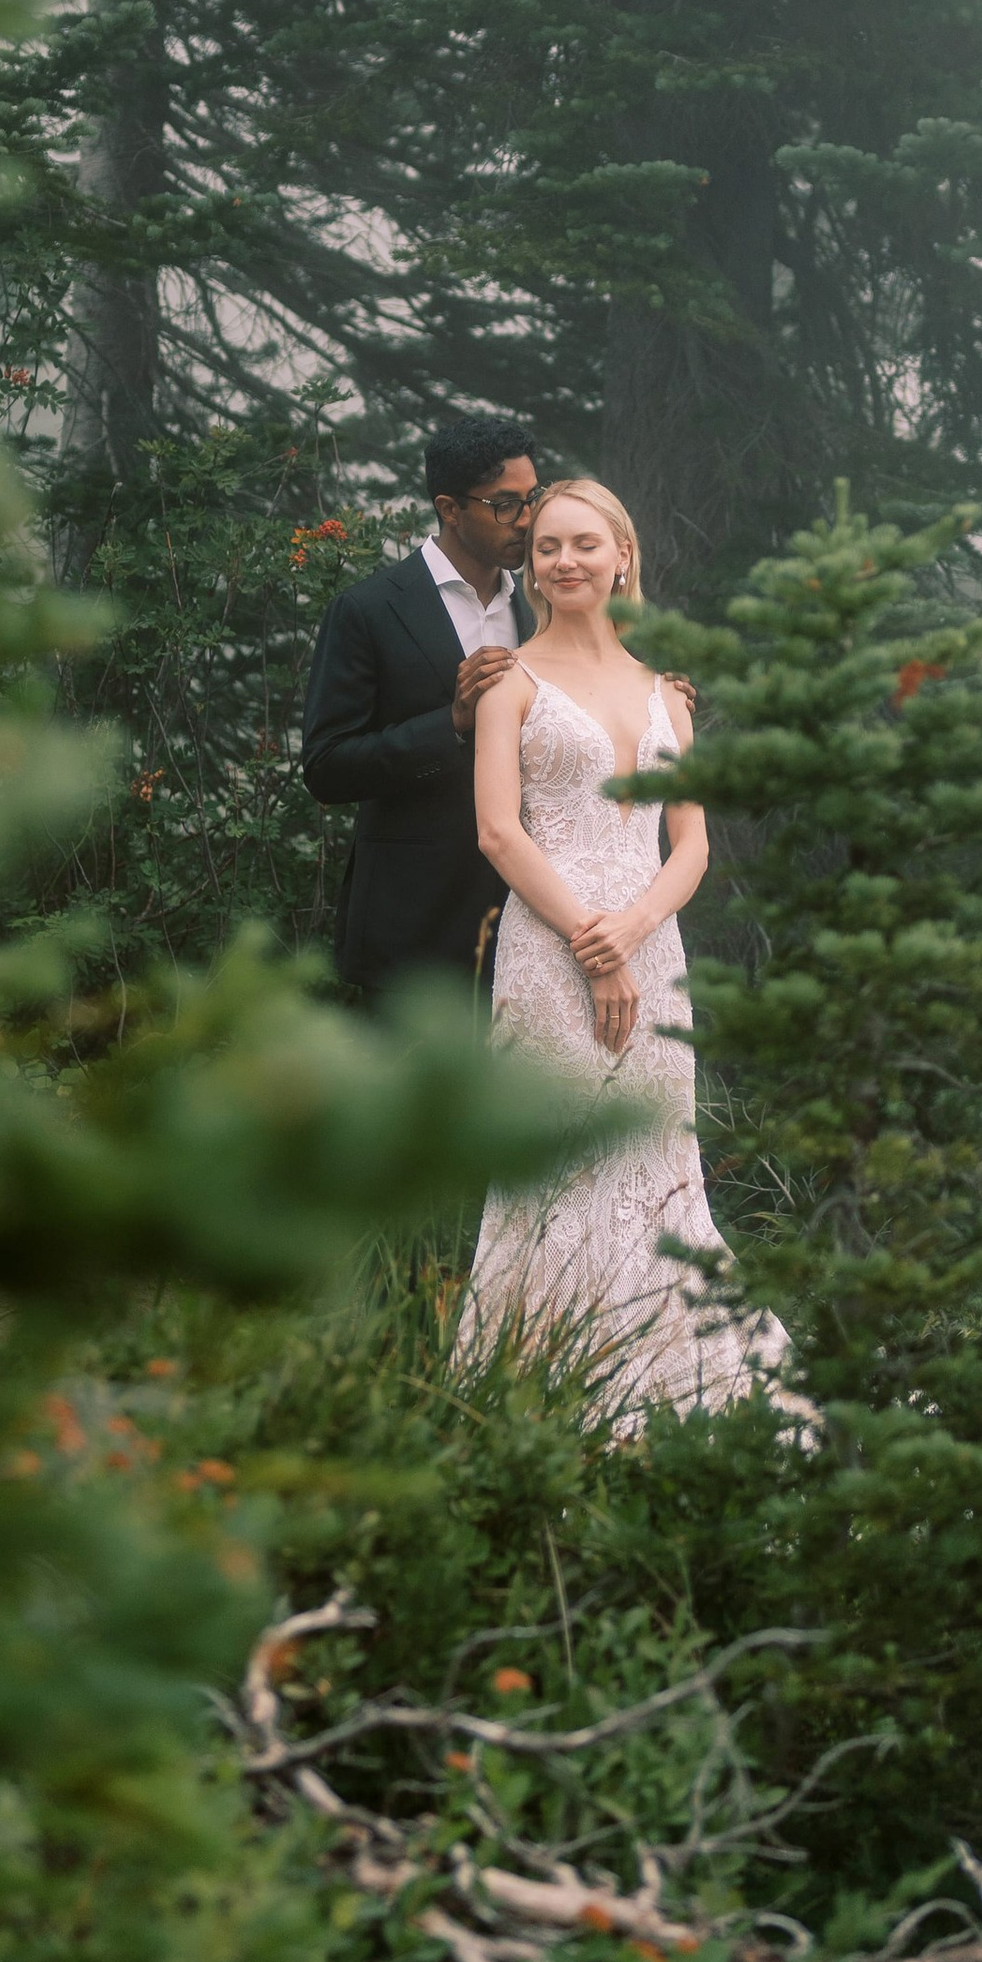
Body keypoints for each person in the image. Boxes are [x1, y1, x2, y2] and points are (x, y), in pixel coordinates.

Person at [460, 476, 799, 1426]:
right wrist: (590, 943)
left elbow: (689, 843)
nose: (563, 561)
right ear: (531, 568)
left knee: (657, 1168)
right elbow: (497, 832)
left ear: (623, 558)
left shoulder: (666, 696)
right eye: (546, 548)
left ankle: (676, 1392)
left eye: (582, 545)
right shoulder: (507, 683)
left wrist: (636, 932)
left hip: (655, 954)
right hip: (548, 951)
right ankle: (540, 1401)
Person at [300, 414, 540, 1005]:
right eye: (505, 505)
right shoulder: (368, 609)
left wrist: (653, 697)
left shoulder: (543, 605)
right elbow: (327, 766)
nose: (528, 521)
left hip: (530, 917)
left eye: (532, 498)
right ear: (449, 508)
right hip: (413, 925)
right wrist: (451, 723)